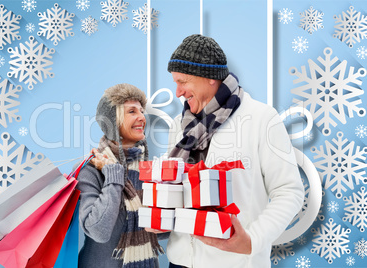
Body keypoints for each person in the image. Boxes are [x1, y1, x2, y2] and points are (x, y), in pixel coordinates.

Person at [165, 34, 304, 267]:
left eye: (183, 81)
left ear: (210, 78)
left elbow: (289, 192)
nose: (177, 92)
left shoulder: (262, 119)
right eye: (175, 82)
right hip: (179, 261)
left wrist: (252, 241)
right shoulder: (179, 126)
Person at [77, 83, 164, 268]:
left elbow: (158, 232)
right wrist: (114, 176)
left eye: (141, 110)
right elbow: (98, 231)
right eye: (132, 111)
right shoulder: (91, 170)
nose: (142, 117)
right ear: (112, 123)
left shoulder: (149, 170)